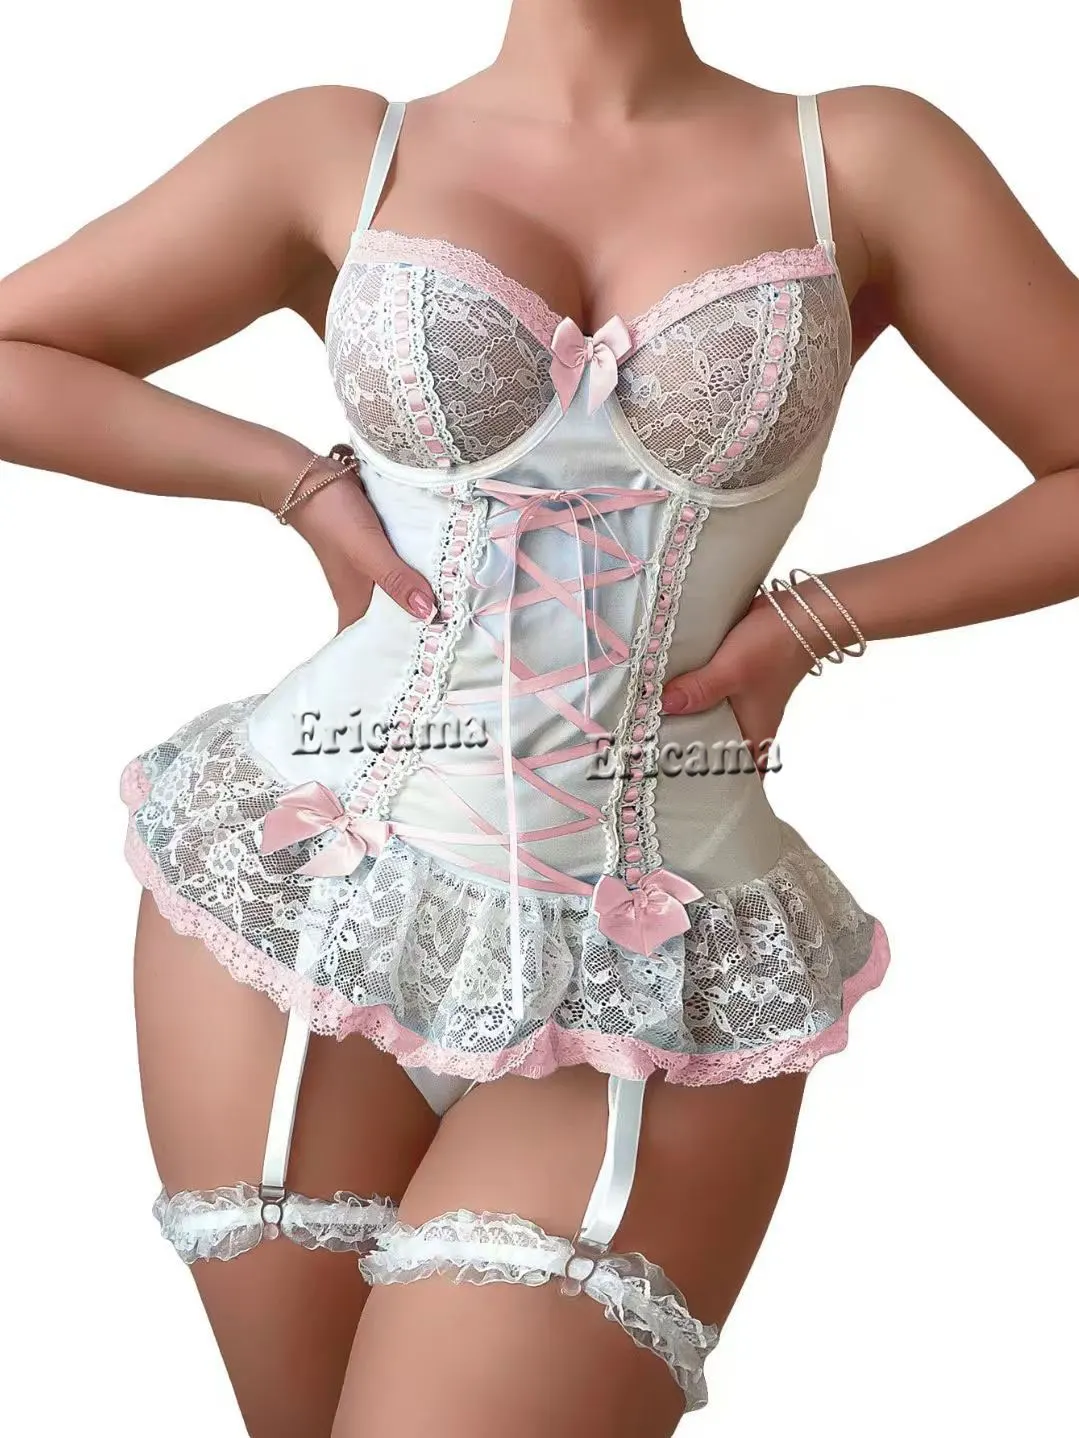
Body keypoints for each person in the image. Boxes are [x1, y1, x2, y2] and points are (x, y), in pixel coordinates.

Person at [3, 3, 1079, 1436]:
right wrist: (291, 483)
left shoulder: (865, 156)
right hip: (300, 901)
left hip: (660, 957)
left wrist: (820, 618)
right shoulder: (335, 147)